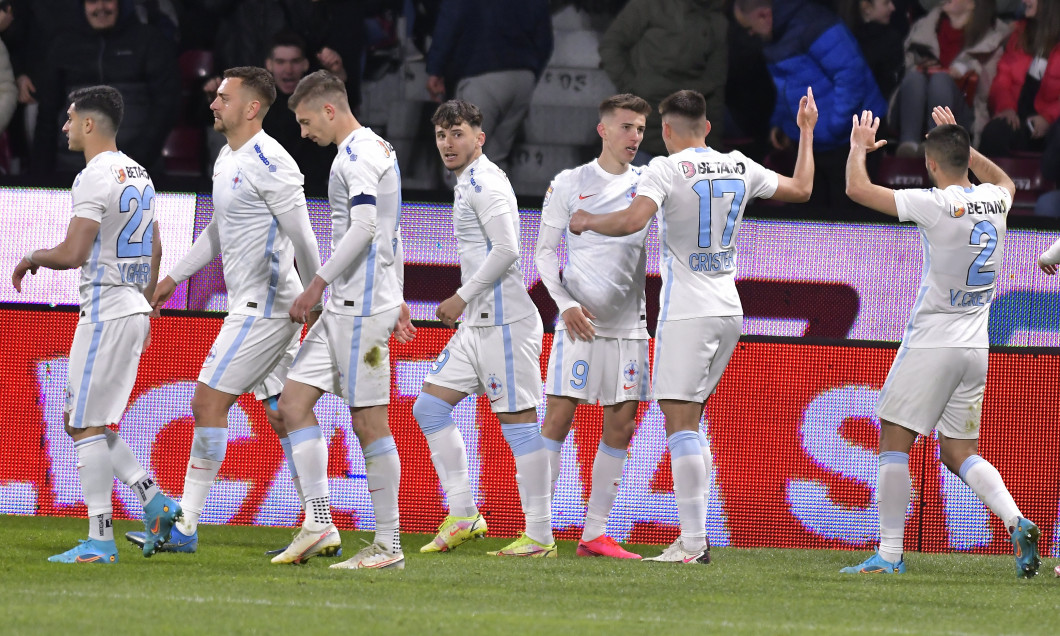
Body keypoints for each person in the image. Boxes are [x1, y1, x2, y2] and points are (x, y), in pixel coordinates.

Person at [568, 88, 818, 563]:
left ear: (665, 130)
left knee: (680, 422)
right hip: (729, 309)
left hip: (688, 311)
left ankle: (694, 543)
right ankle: (691, 538)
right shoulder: (740, 164)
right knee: (691, 422)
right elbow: (803, 189)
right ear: (706, 127)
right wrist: (806, 130)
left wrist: (586, 221)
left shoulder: (664, 168)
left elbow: (632, 221)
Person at [127, 66, 323, 555]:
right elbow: (219, 228)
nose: (213, 104)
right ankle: (319, 522)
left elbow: (303, 233)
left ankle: (186, 526)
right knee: (283, 413)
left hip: (267, 305)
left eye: (223, 97)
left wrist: (316, 292)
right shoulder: (226, 157)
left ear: (251, 107)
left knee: (207, 403)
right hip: (258, 302)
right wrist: (173, 277)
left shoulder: (271, 160)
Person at [842, 105, 1040, 577]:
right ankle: (1016, 521)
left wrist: (857, 148)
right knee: (958, 451)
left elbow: (856, 189)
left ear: (931, 164)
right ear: (965, 156)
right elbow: (1007, 182)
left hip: (934, 341)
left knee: (893, 437)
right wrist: (963, 146)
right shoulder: (997, 198)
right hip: (976, 347)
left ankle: (889, 555)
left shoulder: (934, 202)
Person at [10, 86, 181, 562]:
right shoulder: (140, 173)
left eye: (68, 119)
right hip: (130, 309)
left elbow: (73, 254)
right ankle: (155, 501)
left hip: (106, 312)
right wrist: (146, 302)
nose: (63, 127)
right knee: (78, 420)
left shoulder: (92, 176)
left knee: (84, 424)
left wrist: (30, 256)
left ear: (89, 124)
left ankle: (100, 540)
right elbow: (157, 249)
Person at [271, 70, 416, 569]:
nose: (305, 132)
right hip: (347, 309)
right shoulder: (373, 147)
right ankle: (318, 522)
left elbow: (368, 226)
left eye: (307, 121)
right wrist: (395, 294)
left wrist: (317, 283)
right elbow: (390, 233)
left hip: (360, 314)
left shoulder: (356, 155)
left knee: (369, 422)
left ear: (329, 110)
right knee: (290, 405)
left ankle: (389, 546)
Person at [413, 100, 553, 557]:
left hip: (505, 325)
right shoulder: (468, 182)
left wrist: (460, 296)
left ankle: (539, 536)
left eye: (456, 133)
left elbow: (508, 249)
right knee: (429, 408)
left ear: (480, 136)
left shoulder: (486, 183)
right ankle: (464, 514)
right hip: (478, 324)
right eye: (440, 135)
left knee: (519, 427)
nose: (447, 144)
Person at [534, 93, 651, 560]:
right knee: (558, 421)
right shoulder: (570, 182)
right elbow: (543, 252)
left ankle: (595, 534)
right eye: (626, 127)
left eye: (641, 128)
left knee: (620, 428)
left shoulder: (649, 182)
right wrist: (563, 304)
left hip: (629, 328)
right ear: (602, 130)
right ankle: (537, 531)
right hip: (578, 324)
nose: (635, 137)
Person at [734, 0, 883, 210]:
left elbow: (850, 75)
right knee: (811, 222)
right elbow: (786, 84)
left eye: (749, 27)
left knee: (847, 221)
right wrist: (782, 122)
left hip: (846, 140)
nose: (750, 34)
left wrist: (835, 127)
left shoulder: (815, 24)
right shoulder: (773, 37)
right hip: (814, 141)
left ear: (763, 16)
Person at [31, 0, 180, 177]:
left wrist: (137, 158)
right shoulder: (62, 45)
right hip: (72, 167)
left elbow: (166, 106)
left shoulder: (150, 41)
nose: (100, 7)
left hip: (135, 168)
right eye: (92, 1)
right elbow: (47, 114)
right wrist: (40, 175)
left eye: (108, 0)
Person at [425, 1, 553, 171]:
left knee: (460, 163)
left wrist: (436, 69)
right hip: (522, 76)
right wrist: (530, 73)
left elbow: (450, 22)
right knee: (494, 163)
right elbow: (545, 41)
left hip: (482, 74)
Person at [598, 0, 728, 156]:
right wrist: (633, 87)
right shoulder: (650, 5)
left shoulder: (716, 20)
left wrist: (710, 146)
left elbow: (716, 84)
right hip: (643, 130)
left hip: (687, 139)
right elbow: (612, 44)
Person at [894, 0, 1010, 155]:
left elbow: (987, 89)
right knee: (915, 77)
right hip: (918, 103)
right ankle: (909, 144)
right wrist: (921, 66)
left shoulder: (991, 37)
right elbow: (905, 69)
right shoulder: (924, 27)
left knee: (941, 80)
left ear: (972, 4)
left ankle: (937, 144)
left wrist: (966, 69)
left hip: (963, 109)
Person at [980, 0, 1060, 165]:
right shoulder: (1019, 33)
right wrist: (1006, 107)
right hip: (1021, 119)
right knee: (995, 132)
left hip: (1053, 125)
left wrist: (1049, 118)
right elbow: (1002, 80)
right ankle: (993, 189)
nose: (1023, 1)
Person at [838, 0, 906, 100]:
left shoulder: (844, 37)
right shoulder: (889, 40)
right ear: (867, 8)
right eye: (886, 3)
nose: (892, 7)